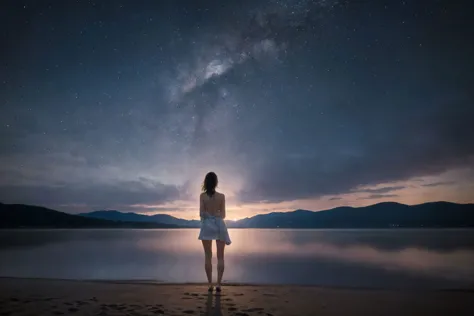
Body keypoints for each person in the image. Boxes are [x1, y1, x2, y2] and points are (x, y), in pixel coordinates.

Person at [198, 171, 231, 292]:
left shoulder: (202, 196)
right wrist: (216, 214)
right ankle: (219, 284)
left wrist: (209, 215)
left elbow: (201, 213)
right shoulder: (221, 196)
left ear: (205, 183)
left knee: (208, 256)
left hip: (207, 225)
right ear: (216, 182)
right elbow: (223, 215)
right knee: (220, 257)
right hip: (219, 225)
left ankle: (210, 284)